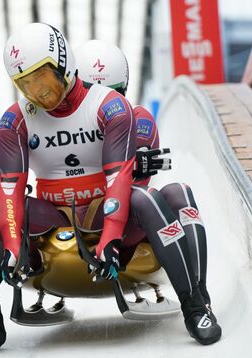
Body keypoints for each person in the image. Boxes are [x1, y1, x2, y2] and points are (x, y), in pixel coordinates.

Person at [0, 23, 221, 356]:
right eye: (28, 84)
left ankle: (195, 304)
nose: (42, 93)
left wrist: (110, 236)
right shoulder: (15, 119)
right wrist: (10, 244)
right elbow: (10, 187)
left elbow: (119, 180)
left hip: (107, 214)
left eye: (44, 79)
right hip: (52, 217)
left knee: (152, 195)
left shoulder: (113, 107)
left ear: (65, 65)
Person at [75, 39, 215, 305]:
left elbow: (134, 175)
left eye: (113, 95)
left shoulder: (138, 119)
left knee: (178, 192)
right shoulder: (57, 124)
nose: (105, 104)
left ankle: (199, 294)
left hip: (128, 222)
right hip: (79, 223)